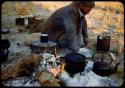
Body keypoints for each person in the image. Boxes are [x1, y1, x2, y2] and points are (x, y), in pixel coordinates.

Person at [30, 1, 95, 52]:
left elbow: (83, 21)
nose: (88, 12)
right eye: (88, 10)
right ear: (81, 5)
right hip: (49, 35)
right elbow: (71, 32)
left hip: (60, 32)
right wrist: (76, 51)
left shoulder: (79, 9)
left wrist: (85, 37)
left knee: (76, 42)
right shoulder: (69, 11)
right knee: (71, 47)